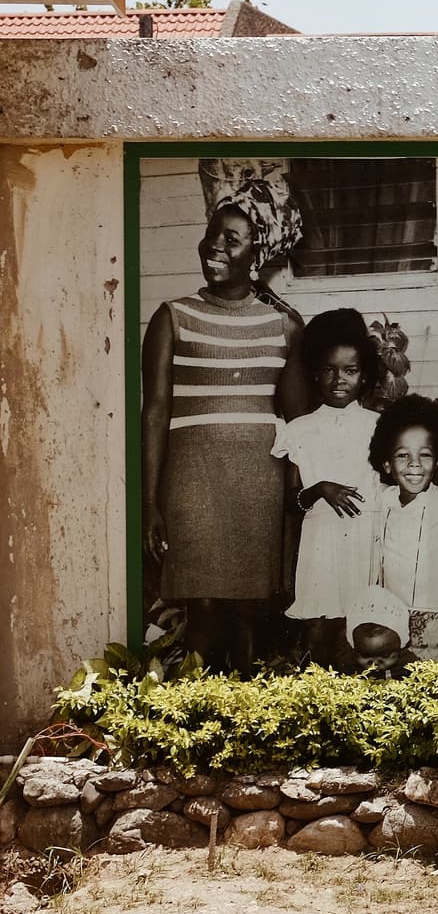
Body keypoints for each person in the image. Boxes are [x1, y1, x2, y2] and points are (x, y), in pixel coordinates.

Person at [140, 171, 308, 670]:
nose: (215, 246)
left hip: (259, 486)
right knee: (204, 612)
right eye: (212, 234)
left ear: (258, 251)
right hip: (191, 485)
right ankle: (198, 724)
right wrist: (150, 502)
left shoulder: (284, 325)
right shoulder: (172, 317)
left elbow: (297, 420)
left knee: (250, 616)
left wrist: (297, 503)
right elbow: (154, 413)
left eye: (231, 239)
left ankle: (246, 729)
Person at [272, 308, 384, 666]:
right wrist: (319, 488)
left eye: (350, 371)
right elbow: (292, 502)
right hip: (321, 541)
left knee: (361, 626)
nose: (340, 379)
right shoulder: (299, 430)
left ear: (364, 376)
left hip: (365, 536)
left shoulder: (379, 426)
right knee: (319, 626)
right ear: (315, 375)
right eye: (329, 370)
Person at [349, 394, 438, 665]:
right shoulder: (384, 498)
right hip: (395, 620)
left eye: (425, 456)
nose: (414, 463)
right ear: (387, 463)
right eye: (403, 455)